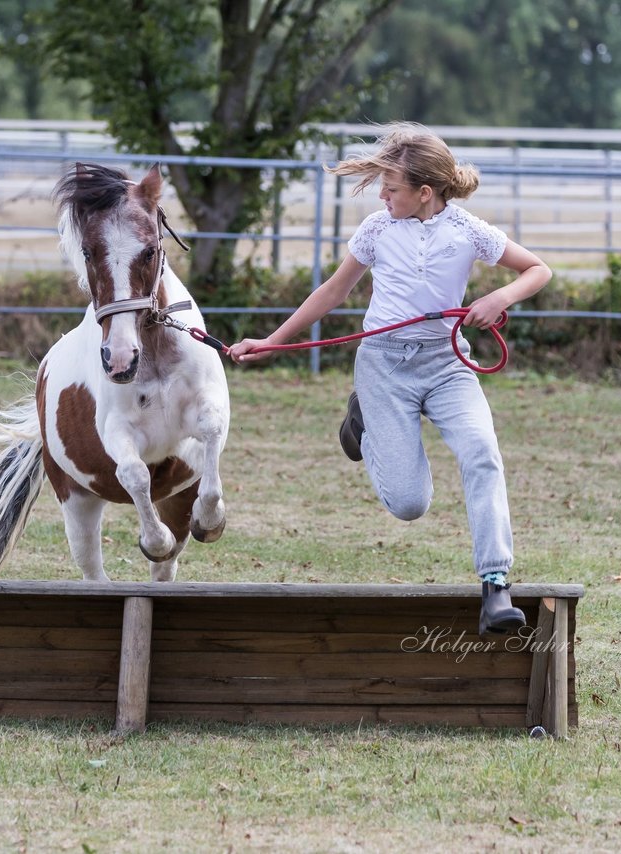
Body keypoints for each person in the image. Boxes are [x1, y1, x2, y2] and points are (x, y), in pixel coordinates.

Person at [228, 122, 551, 637]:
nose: (381, 195)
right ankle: (364, 424)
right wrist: (274, 340)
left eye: (391, 187)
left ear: (425, 192)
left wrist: (498, 298)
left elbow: (537, 270)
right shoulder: (377, 230)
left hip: (448, 364)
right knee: (409, 504)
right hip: (383, 364)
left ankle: (495, 584)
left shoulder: (468, 230)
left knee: (482, 452)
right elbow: (333, 292)